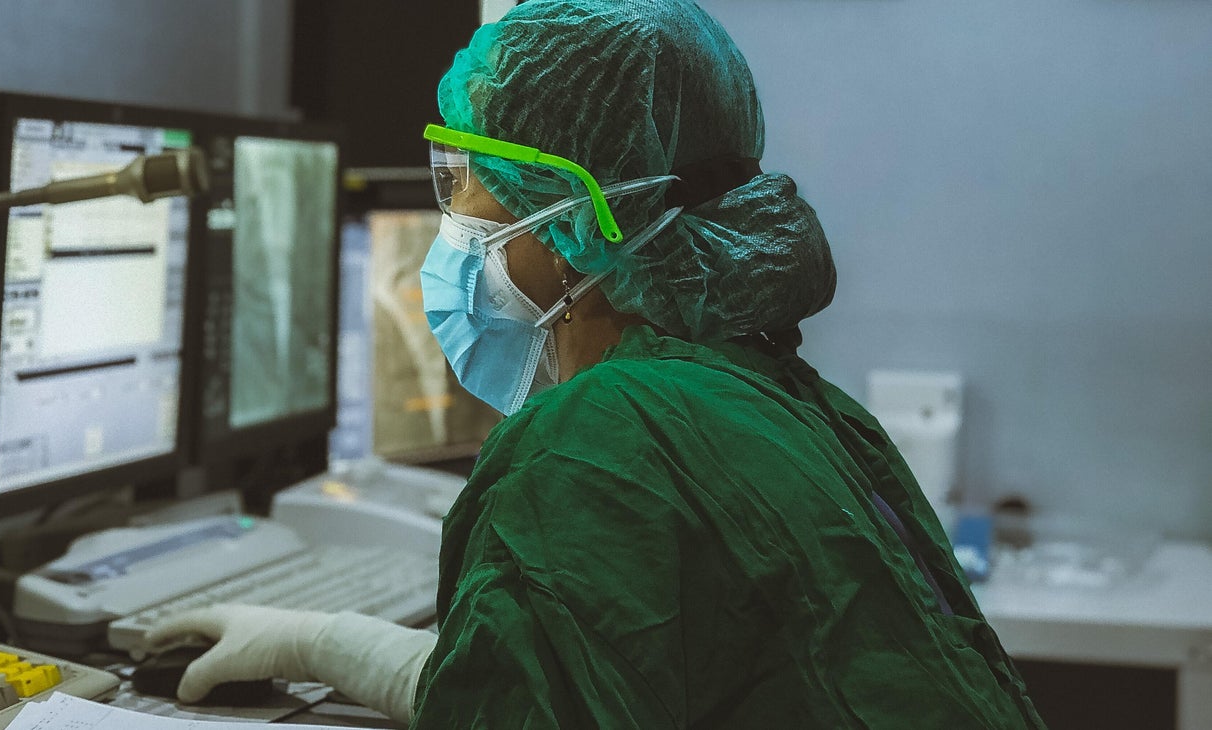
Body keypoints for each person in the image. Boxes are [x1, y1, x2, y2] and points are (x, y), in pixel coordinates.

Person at [147, 1, 1047, 727]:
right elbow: (561, 688)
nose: (451, 216)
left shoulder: (601, 441)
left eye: (463, 178)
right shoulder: (777, 397)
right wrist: (322, 644)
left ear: (577, 218)